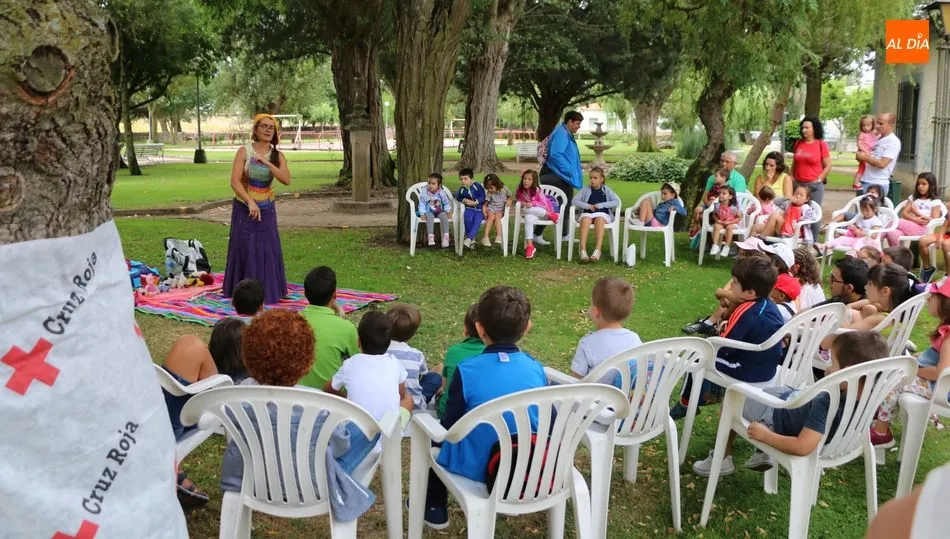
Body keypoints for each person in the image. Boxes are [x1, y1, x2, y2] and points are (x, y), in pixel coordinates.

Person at [422, 286, 547, 528]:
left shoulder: (467, 370)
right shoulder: (535, 368)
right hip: (526, 463)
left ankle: (434, 507)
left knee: (432, 440)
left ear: (479, 328)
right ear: (527, 327)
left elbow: (449, 426)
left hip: (476, 468)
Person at [220, 310, 383, 495]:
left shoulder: (236, 396)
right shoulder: (319, 405)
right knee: (367, 430)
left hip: (247, 480)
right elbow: (340, 446)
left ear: (247, 354)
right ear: (306, 361)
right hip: (309, 486)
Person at [731, 331, 889, 474]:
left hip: (777, 416)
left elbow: (802, 447)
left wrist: (766, 436)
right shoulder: (873, 393)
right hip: (808, 418)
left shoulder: (826, 401)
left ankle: (723, 458)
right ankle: (762, 453)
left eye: (833, 363)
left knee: (732, 399)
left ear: (847, 371)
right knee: (774, 392)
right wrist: (835, 372)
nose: (828, 368)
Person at [674, 257, 785, 422]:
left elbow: (724, 348)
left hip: (746, 370)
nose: (731, 285)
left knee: (696, 355)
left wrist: (718, 332)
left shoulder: (746, 312)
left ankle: (686, 403)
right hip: (766, 367)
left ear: (750, 293)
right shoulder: (768, 304)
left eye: (734, 282)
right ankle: (699, 398)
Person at [162, 317, 248, 506]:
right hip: (170, 423)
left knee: (190, 344)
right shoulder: (238, 383)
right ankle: (175, 473)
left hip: (165, 421)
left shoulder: (196, 351)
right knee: (190, 344)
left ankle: (175, 473)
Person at [872, 279, 950, 449]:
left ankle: (881, 433)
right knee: (894, 371)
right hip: (934, 382)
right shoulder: (946, 331)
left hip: (940, 388)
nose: (928, 298)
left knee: (894, 380)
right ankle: (879, 414)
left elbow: (941, 372)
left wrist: (915, 370)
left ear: (945, 303)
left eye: (933, 295)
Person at [224, 113, 290, 305]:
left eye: (272, 127)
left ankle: (267, 291)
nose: (268, 130)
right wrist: (249, 201)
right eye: (264, 126)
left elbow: (286, 179)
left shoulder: (278, 155)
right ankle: (242, 292)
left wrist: (268, 162)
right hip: (244, 208)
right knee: (244, 247)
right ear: (255, 129)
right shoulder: (244, 151)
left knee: (267, 249)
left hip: (267, 209)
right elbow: (234, 181)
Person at [325, 310, 414, 427]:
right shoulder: (394, 363)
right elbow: (402, 394)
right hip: (389, 436)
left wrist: (346, 399)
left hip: (356, 435)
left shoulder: (351, 363)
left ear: (358, 342)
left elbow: (328, 388)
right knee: (408, 400)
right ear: (388, 344)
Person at [298, 266, 360, 391]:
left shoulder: (289, 322)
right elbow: (360, 362)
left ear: (305, 293)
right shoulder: (346, 328)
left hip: (297, 394)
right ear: (334, 294)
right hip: (334, 400)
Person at [571, 278, 642, 384]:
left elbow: (575, 380)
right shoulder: (634, 339)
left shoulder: (587, 343)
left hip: (595, 400)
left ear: (596, 312)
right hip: (628, 399)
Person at [534, 111, 584, 244]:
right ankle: (561, 235)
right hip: (555, 175)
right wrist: (569, 170)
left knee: (557, 204)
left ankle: (545, 234)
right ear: (570, 121)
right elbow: (556, 155)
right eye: (577, 123)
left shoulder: (564, 133)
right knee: (559, 204)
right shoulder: (562, 134)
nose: (579, 126)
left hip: (557, 174)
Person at [385, 304, 442, 411]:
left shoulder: (378, 351)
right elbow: (423, 374)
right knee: (435, 376)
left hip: (387, 405)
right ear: (413, 334)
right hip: (414, 407)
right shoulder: (416, 355)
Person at [438, 304, 485, 418]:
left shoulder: (454, 351)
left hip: (449, 418)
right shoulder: (496, 355)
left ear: (465, 329)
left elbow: (444, 387)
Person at [790, 116, 832, 244]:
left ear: (814, 129)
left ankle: (813, 243)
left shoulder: (821, 144)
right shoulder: (798, 143)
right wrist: (791, 176)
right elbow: (795, 162)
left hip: (813, 186)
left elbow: (828, 165)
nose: (804, 130)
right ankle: (796, 240)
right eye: (802, 127)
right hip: (798, 184)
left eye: (807, 127)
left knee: (814, 214)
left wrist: (819, 179)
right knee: (795, 212)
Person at [571, 166, 621, 263]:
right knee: (585, 220)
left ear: (602, 179)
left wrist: (601, 205)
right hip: (587, 213)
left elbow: (616, 202)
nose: (592, 180)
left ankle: (597, 250)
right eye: (591, 178)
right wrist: (587, 206)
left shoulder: (606, 190)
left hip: (602, 214)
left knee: (600, 219)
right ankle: (583, 250)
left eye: (595, 178)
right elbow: (574, 200)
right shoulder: (585, 189)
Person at [691, 153, 747, 233]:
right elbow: (705, 197)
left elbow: (736, 201)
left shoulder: (739, 179)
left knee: (704, 216)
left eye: (727, 162)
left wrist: (718, 204)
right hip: (713, 207)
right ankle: (706, 239)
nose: (724, 164)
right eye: (722, 161)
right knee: (700, 214)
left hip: (729, 211)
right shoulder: (713, 178)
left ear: (734, 164)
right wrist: (710, 205)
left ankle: (713, 240)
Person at [885, 172, 941, 250]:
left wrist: (916, 213)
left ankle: (876, 236)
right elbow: (904, 213)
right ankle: (899, 257)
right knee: (892, 233)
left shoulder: (935, 201)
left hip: (924, 229)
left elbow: (934, 220)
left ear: (931, 185)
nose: (920, 186)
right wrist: (914, 219)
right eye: (918, 184)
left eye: (924, 184)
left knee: (893, 222)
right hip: (909, 225)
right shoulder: (913, 197)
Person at [815, 195, 883, 256]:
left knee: (860, 240)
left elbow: (874, 236)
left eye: (867, 211)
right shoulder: (860, 218)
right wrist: (853, 228)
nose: (864, 213)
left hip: (869, 243)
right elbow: (856, 227)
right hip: (856, 239)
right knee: (842, 238)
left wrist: (860, 232)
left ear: (875, 209)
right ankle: (825, 246)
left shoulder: (875, 221)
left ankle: (854, 252)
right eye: (862, 210)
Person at [856, 112, 902, 197]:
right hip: (863, 180)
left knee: (872, 210)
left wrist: (864, 157)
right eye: (877, 123)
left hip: (877, 184)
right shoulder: (875, 137)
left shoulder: (893, 141)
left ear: (890, 125)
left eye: (881, 124)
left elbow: (882, 163)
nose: (877, 126)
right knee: (861, 210)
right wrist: (859, 156)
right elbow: (863, 154)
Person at [517, 169, 556, 260]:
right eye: (525, 179)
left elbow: (544, 204)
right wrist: (523, 203)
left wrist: (533, 203)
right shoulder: (520, 190)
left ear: (534, 181)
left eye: (529, 179)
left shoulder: (538, 190)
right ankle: (530, 246)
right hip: (531, 213)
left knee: (528, 209)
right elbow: (519, 201)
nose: (526, 181)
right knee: (528, 218)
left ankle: (550, 214)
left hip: (543, 213)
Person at [417, 172, 453, 248]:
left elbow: (446, 203)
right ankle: (430, 236)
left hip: (439, 211)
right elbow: (422, 204)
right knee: (430, 217)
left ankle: (446, 236)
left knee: (444, 216)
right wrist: (422, 213)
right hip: (429, 211)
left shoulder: (441, 193)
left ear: (438, 185)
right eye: (429, 183)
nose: (430, 185)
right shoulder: (424, 193)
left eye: (433, 184)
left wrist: (448, 211)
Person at [456, 168, 486, 249]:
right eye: (461, 179)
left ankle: (469, 238)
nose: (463, 181)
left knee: (477, 221)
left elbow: (483, 196)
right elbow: (458, 197)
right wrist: (464, 200)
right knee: (467, 218)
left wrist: (475, 202)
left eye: (465, 179)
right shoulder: (462, 189)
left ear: (471, 179)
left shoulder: (477, 186)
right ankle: (471, 239)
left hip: (479, 210)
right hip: (469, 209)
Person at [708, 185, 741, 258]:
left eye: (724, 193)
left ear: (730, 197)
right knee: (716, 226)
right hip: (721, 222)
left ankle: (727, 247)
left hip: (731, 223)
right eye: (720, 193)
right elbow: (714, 215)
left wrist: (730, 222)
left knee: (729, 228)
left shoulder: (733, 207)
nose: (720, 195)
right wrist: (717, 220)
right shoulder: (717, 206)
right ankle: (715, 245)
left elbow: (739, 217)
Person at [481, 174, 512, 247]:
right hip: (491, 208)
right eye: (488, 188)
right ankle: (485, 237)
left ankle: (499, 236)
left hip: (500, 210)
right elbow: (485, 204)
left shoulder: (504, 189)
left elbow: (511, 196)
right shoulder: (489, 193)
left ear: (497, 184)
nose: (489, 190)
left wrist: (509, 201)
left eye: (491, 188)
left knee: (498, 217)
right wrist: (484, 212)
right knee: (491, 217)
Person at [853, 115, 880, 191]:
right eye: (864, 125)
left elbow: (879, 134)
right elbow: (859, 144)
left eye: (868, 125)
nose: (865, 127)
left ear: (872, 125)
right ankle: (855, 183)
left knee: (868, 168)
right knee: (862, 168)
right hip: (864, 153)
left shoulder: (874, 133)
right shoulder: (862, 134)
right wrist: (865, 151)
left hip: (871, 153)